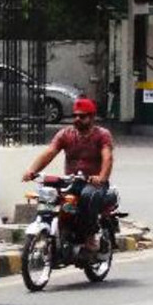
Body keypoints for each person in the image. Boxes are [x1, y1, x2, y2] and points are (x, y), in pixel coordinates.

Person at [23, 97, 113, 252]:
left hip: (94, 183)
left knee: (87, 196)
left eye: (82, 116)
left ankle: (89, 236)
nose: (77, 119)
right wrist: (32, 171)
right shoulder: (65, 134)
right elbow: (50, 152)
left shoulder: (102, 135)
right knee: (49, 195)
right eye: (75, 116)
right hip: (71, 181)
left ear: (92, 117)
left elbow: (107, 157)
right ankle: (60, 231)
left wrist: (101, 177)